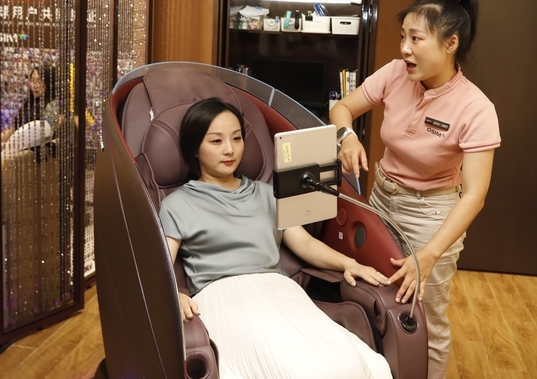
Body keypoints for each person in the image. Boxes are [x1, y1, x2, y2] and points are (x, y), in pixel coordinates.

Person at [329, 0, 501, 379]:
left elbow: (474, 196)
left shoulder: (476, 109)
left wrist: (429, 254)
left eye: (416, 39)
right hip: (381, 199)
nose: (405, 48)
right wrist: (348, 136)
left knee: (424, 315)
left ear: (450, 43)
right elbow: (342, 108)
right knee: (373, 293)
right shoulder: (395, 73)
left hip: (432, 217)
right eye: (402, 37)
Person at [160, 97, 394, 379]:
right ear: (195, 148)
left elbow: (305, 243)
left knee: (350, 365)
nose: (230, 149)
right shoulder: (178, 203)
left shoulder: (266, 193)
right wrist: (176, 295)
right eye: (216, 141)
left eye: (236, 138)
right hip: (223, 297)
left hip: (280, 291)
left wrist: (348, 263)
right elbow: (161, 267)